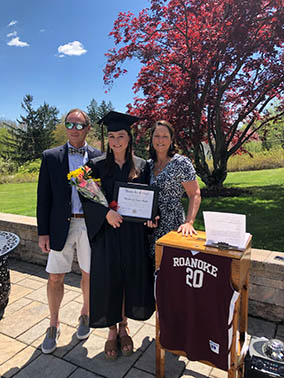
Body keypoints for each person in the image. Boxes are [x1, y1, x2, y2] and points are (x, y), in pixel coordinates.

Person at [81, 111, 155, 360]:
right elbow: (85, 192)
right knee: (109, 280)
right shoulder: (96, 165)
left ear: (129, 138)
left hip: (133, 234)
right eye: (111, 136)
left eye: (120, 136)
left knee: (129, 278)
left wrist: (151, 215)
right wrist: (105, 214)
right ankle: (111, 331)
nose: (115, 141)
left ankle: (125, 326)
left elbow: (148, 198)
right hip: (108, 235)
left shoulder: (142, 165)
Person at [37, 108, 101, 354]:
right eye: (70, 124)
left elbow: (100, 195)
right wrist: (43, 232)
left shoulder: (98, 157)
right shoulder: (51, 156)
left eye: (79, 125)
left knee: (89, 273)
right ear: (65, 127)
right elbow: (43, 198)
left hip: (89, 225)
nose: (74, 129)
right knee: (55, 276)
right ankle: (53, 324)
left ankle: (85, 313)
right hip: (60, 226)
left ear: (88, 128)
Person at [147, 120, 201, 262]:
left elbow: (194, 194)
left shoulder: (181, 163)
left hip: (173, 223)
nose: (160, 140)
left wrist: (189, 222)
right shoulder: (148, 165)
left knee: (170, 268)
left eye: (165, 136)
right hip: (150, 226)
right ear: (151, 139)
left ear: (171, 140)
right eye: (157, 136)